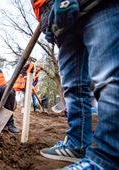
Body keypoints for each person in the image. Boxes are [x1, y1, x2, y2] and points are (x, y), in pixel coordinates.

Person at [32, 0, 119, 169]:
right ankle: (77, 144)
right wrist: (47, 22)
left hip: (95, 5)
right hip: (62, 24)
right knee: (73, 88)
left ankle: (108, 158)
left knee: (108, 78)